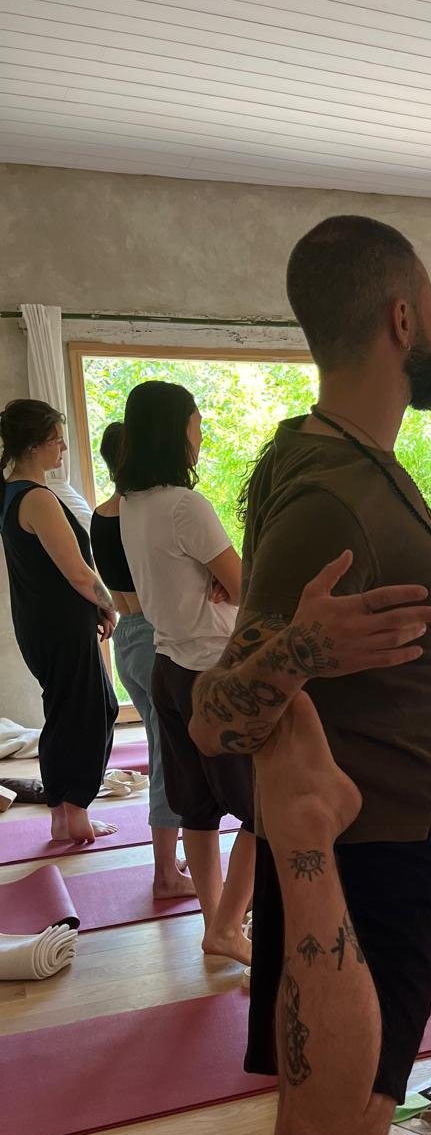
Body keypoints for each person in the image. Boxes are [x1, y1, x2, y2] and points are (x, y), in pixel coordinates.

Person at [188, 215, 431, 1135]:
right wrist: (302, 650)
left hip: (405, 838)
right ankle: (298, 838)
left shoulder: (345, 455)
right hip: (364, 856)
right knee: (341, 1130)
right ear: (402, 316)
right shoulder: (328, 495)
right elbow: (211, 718)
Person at [116, 381, 255, 965]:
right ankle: (226, 928)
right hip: (212, 674)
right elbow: (248, 584)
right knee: (263, 811)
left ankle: (217, 920)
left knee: (197, 808)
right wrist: (229, 582)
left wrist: (217, 581)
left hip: (169, 666)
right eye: (196, 424)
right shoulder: (182, 505)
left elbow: (204, 579)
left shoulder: (130, 502)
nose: (201, 436)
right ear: (176, 430)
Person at [0, 399, 118, 843]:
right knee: (90, 712)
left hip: (41, 624)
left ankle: (65, 816)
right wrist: (109, 606)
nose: (63, 448)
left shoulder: (11, 493)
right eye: (56, 439)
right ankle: (75, 814)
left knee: (70, 712)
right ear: (35, 445)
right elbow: (77, 572)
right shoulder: (37, 498)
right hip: (60, 626)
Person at [90, 422, 193, 899]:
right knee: (169, 757)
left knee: (165, 750)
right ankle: (166, 874)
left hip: (128, 640)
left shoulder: (102, 514)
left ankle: (176, 860)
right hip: (154, 639)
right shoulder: (146, 515)